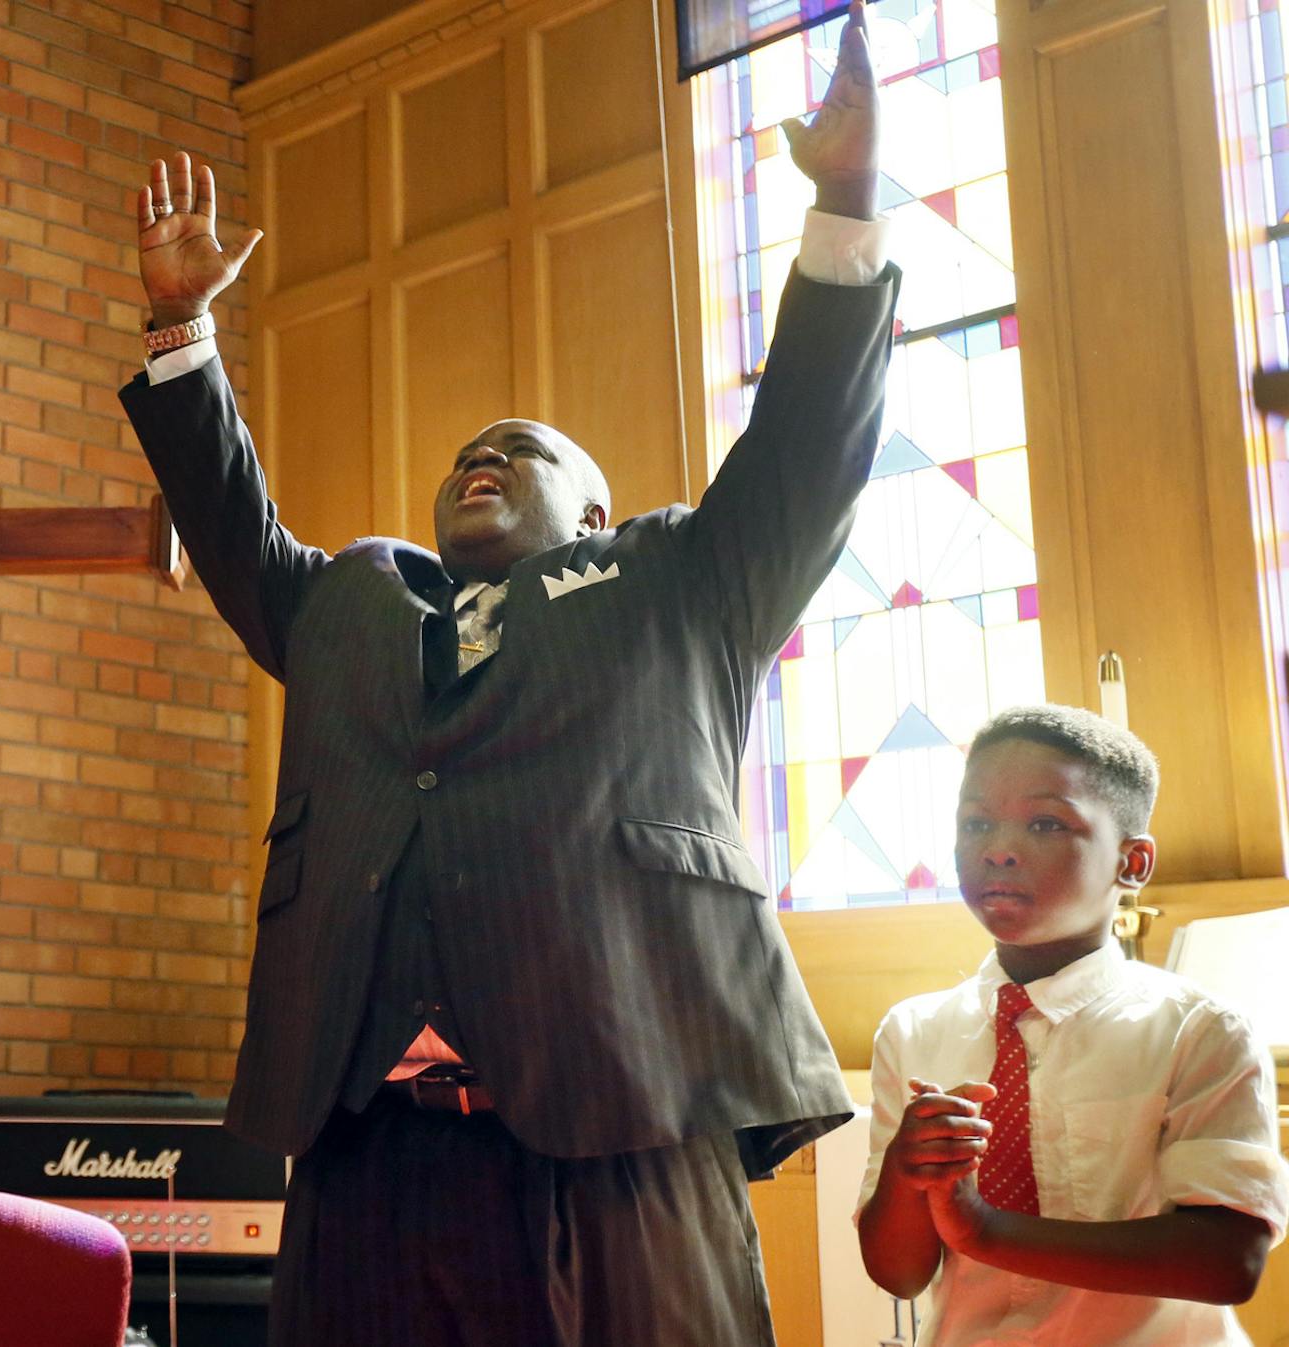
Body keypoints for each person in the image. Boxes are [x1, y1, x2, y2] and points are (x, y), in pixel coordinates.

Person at [117, 6, 896, 1340]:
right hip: (366, 1143)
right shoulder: (350, 601)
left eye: (521, 451)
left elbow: (807, 451)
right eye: (469, 450)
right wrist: (181, 327)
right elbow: (233, 527)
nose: (483, 458)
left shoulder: (679, 583)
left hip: (618, 1119)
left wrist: (845, 207)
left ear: (592, 515)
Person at [856, 705, 1289, 1345]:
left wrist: (984, 1230)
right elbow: (898, 1274)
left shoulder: (1198, 1031)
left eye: (1045, 822)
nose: (998, 849)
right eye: (976, 822)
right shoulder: (914, 1031)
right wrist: (906, 1169)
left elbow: (1229, 1262)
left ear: (1132, 863)